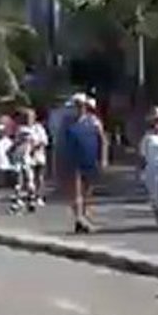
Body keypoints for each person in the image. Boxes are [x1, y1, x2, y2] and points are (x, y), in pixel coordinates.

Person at [61, 93, 106, 233]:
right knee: (77, 192)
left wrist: (103, 158)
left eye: (80, 105)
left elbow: (103, 140)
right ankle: (80, 218)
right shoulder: (67, 122)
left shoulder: (93, 121)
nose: (78, 108)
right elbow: (60, 143)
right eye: (76, 105)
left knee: (87, 192)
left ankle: (81, 219)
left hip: (90, 159)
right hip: (73, 160)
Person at [140, 107, 158, 226]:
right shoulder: (148, 137)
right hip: (152, 168)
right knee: (155, 195)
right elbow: (142, 154)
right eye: (157, 120)